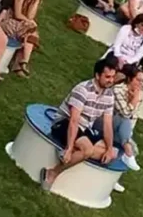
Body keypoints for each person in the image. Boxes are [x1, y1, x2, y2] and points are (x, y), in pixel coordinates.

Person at [37, 56, 122, 190]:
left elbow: (107, 124)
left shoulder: (109, 95)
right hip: (64, 123)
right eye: (107, 77)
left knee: (113, 152)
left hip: (85, 127)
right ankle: (52, 173)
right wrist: (70, 147)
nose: (110, 80)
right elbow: (73, 120)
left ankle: (77, 151)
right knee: (87, 150)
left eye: (112, 77)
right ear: (97, 75)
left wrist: (110, 149)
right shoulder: (82, 90)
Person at [0, 0, 48, 78]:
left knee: (30, 32)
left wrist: (36, 1)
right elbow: (17, 14)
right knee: (31, 31)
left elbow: (30, 16)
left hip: (17, 23)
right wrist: (29, 22)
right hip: (5, 18)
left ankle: (22, 64)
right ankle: (21, 64)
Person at [110, 63, 143, 170]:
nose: (141, 84)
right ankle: (128, 152)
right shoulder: (118, 90)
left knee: (132, 146)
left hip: (120, 129)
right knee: (124, 120)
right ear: (130, 79)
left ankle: (115, 175)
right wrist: (134, 100)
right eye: (138, 80)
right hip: (107, 122)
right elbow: (125, 113)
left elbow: (133, 117)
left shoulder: (137, 93)